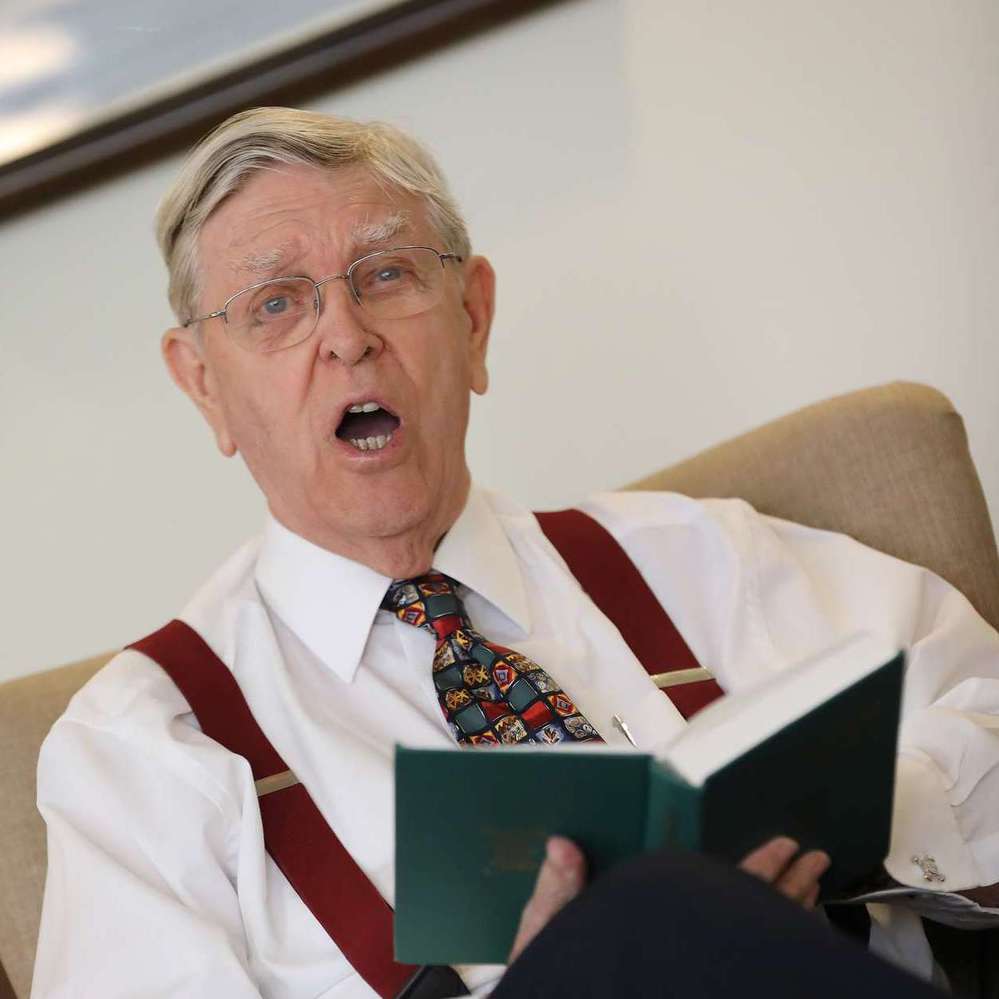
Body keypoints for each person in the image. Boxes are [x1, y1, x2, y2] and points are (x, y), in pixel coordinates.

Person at [31, 107, 999, 998]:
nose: (347, 338)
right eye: (276, 304)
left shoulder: (699, 555)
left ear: (475, 319)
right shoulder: (145, 747)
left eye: (387, 276)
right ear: (203, 385)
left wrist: (841, 834)